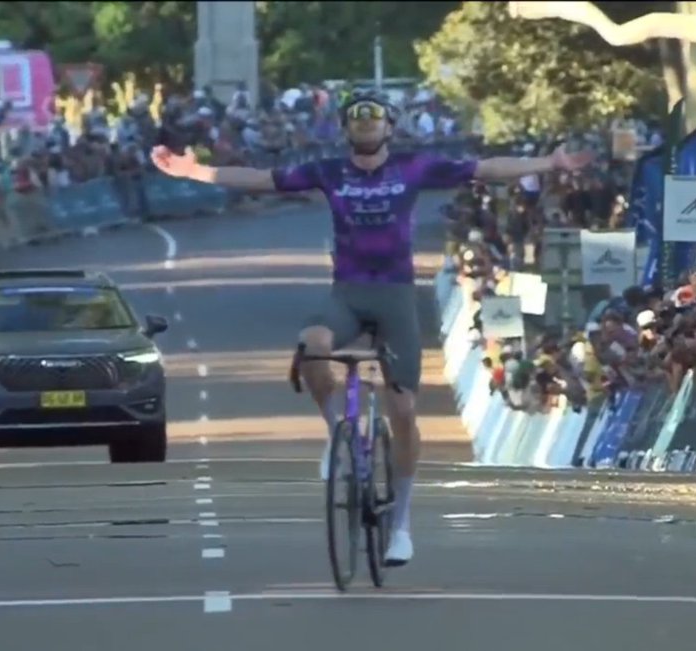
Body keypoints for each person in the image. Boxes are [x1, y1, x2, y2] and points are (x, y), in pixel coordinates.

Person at [148, 89, 592, 566]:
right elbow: (261, 179)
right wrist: (196, 171)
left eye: (374, 119)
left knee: (402, 412)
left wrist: (549, 162)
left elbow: (486, 168)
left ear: (390, 128)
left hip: (396, 298)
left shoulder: (413, 167)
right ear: (345, 130)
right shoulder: (328, 171)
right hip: (348, 295)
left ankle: (400, 525)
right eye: (356, 120)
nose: (365, 126)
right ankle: (341, 433)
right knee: (312, 347)